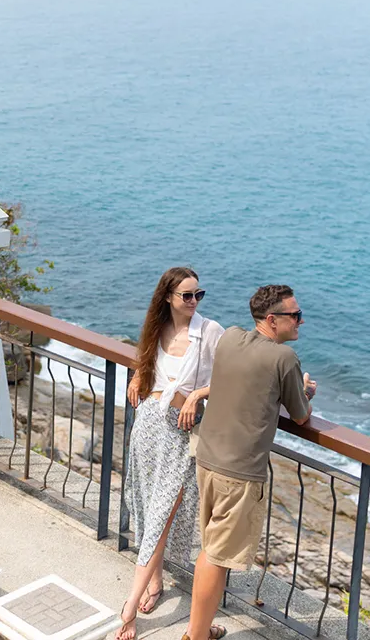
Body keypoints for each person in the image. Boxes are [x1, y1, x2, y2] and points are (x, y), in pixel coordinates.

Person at [181, 284, 317, 640]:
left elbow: (236, 379)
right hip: (239, 472)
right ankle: (195, 637)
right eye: (295, 315)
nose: (301, 321)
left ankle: (201, 628)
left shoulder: (230, 338)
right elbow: (301, 415)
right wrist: (306, 391)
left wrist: (198, 392)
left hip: (208, 457)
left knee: (211, 548)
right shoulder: (283, 359)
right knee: (216, 555)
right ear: (272, 320)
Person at [118, 267, 225, 640]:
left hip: (181, 435)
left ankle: (129, 606)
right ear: (168, 297)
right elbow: (147, 364)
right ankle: (156, 579)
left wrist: (197, 394)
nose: (194, 302)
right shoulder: (156, 327)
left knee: (164, 511)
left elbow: (230, 376)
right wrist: (136, 377)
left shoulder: (210, 332)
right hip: (148, 427)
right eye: (187, 296)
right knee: (149, 504)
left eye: (199, 294)